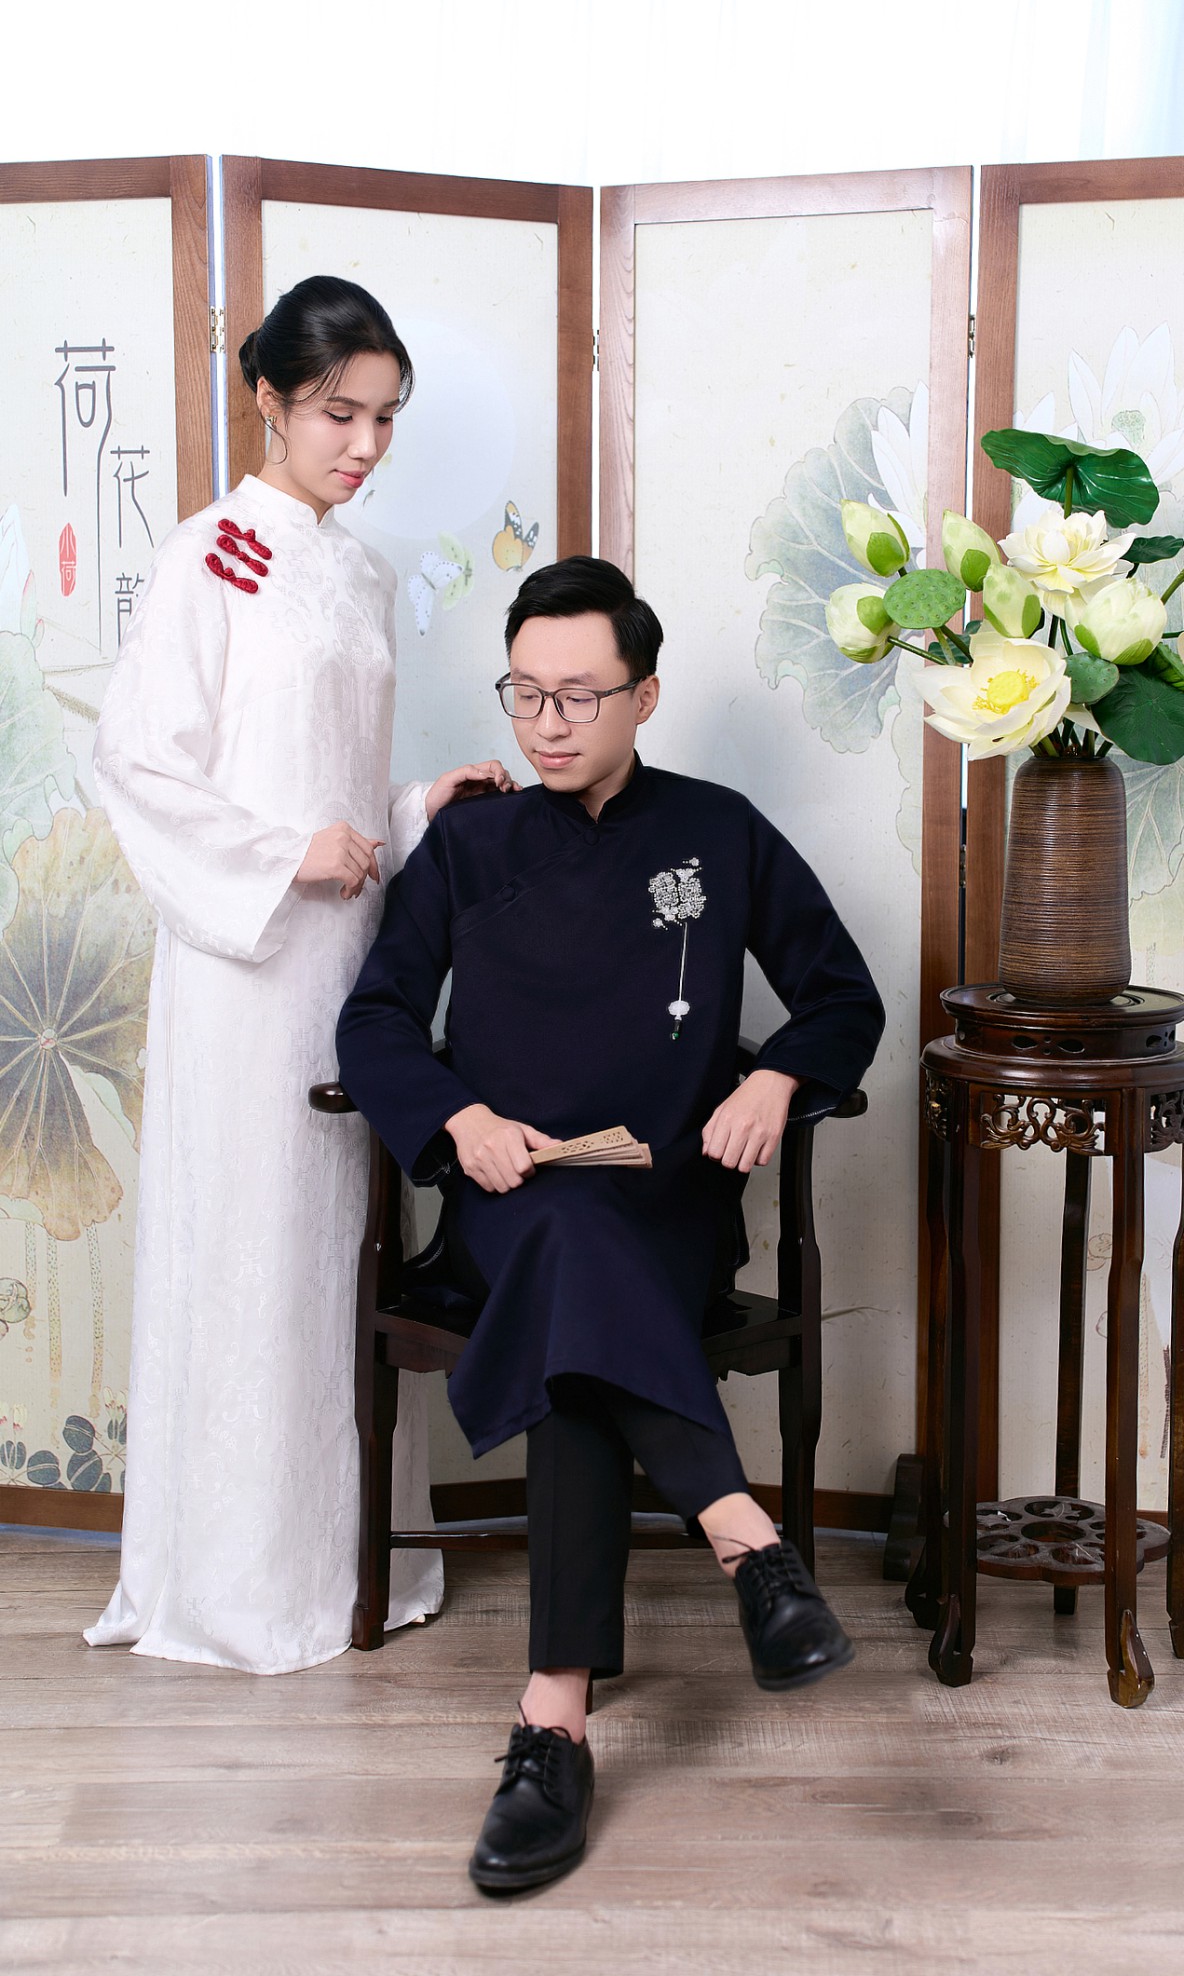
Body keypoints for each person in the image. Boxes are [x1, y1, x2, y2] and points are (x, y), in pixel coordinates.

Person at [336, 556, 884, 1887]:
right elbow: (377, 1018)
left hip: (664, 1213)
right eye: (525, 693)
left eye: (581, 695)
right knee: (562, 1251)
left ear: (644, 696)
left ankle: (554, 1730)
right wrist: (457, 1118)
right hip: (505, 1208)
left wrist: (776, 1077)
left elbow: (844, 998)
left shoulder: (720, 831)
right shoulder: (469, 846)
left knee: (575, 1311)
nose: (549, 723)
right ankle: (750, 1548)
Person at [85, 276, 515, 1675]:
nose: (366, 445)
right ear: (268, 398)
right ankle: (235, 1582)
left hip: (345, 961)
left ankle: (348, 1563)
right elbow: (141, 766)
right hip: (243, 966)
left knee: (341, 1253)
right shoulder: (212, 557)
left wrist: (415, 806)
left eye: (385, 417)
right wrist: (286, 856)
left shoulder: (361, 571)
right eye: (339, 413)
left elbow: (326, 789)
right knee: (249, 1248)